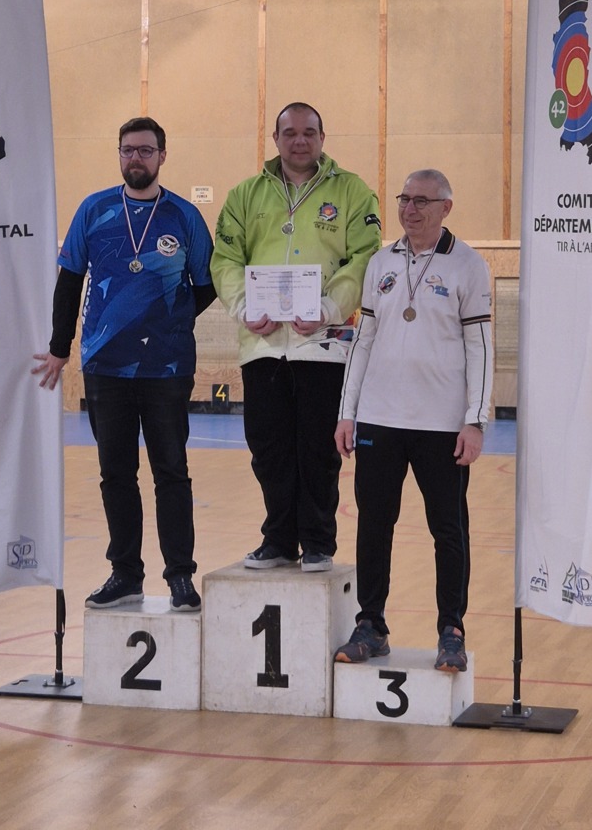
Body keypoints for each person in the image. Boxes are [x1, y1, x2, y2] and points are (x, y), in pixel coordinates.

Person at [33, 116, 216, 612]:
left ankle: (180, 576)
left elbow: (205, 285)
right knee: (115, 473)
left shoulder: (184, 216)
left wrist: (169, 322)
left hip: (167, 369)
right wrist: (60, 347)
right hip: (105, 366)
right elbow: (69, 282)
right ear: (119, 155)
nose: (136, 158)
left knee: (171, 472)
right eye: (128, 150)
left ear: (162, 155)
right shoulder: (93, 210)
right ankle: (126, 575)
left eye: (145, 150)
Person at [332, 169, 492, 672]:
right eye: (404, 199)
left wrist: (475, 420)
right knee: (374, 525)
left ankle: (451, 630)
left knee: (448, 528)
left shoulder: (468, 265)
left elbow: (480, 347)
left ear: (446, 207)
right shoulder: (381, 262)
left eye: (422, 201)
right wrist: (347, 412)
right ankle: (371, 625)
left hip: (442, 425)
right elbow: (362, 342)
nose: (410, 209)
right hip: (379, 420)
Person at [211, 102, 381, 572]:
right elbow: (225, 259)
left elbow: (365, 257)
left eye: (309, 132)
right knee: (268, 448)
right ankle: (279, 540)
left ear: (323, 138)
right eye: (290, 133)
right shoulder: (245, 195)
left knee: (318, 450)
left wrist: (329, 307)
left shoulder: (352, 192)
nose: (300, 141)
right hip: (263, 345)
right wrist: (244, 307)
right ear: (276, 139)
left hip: (324, 345)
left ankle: (318, 542)